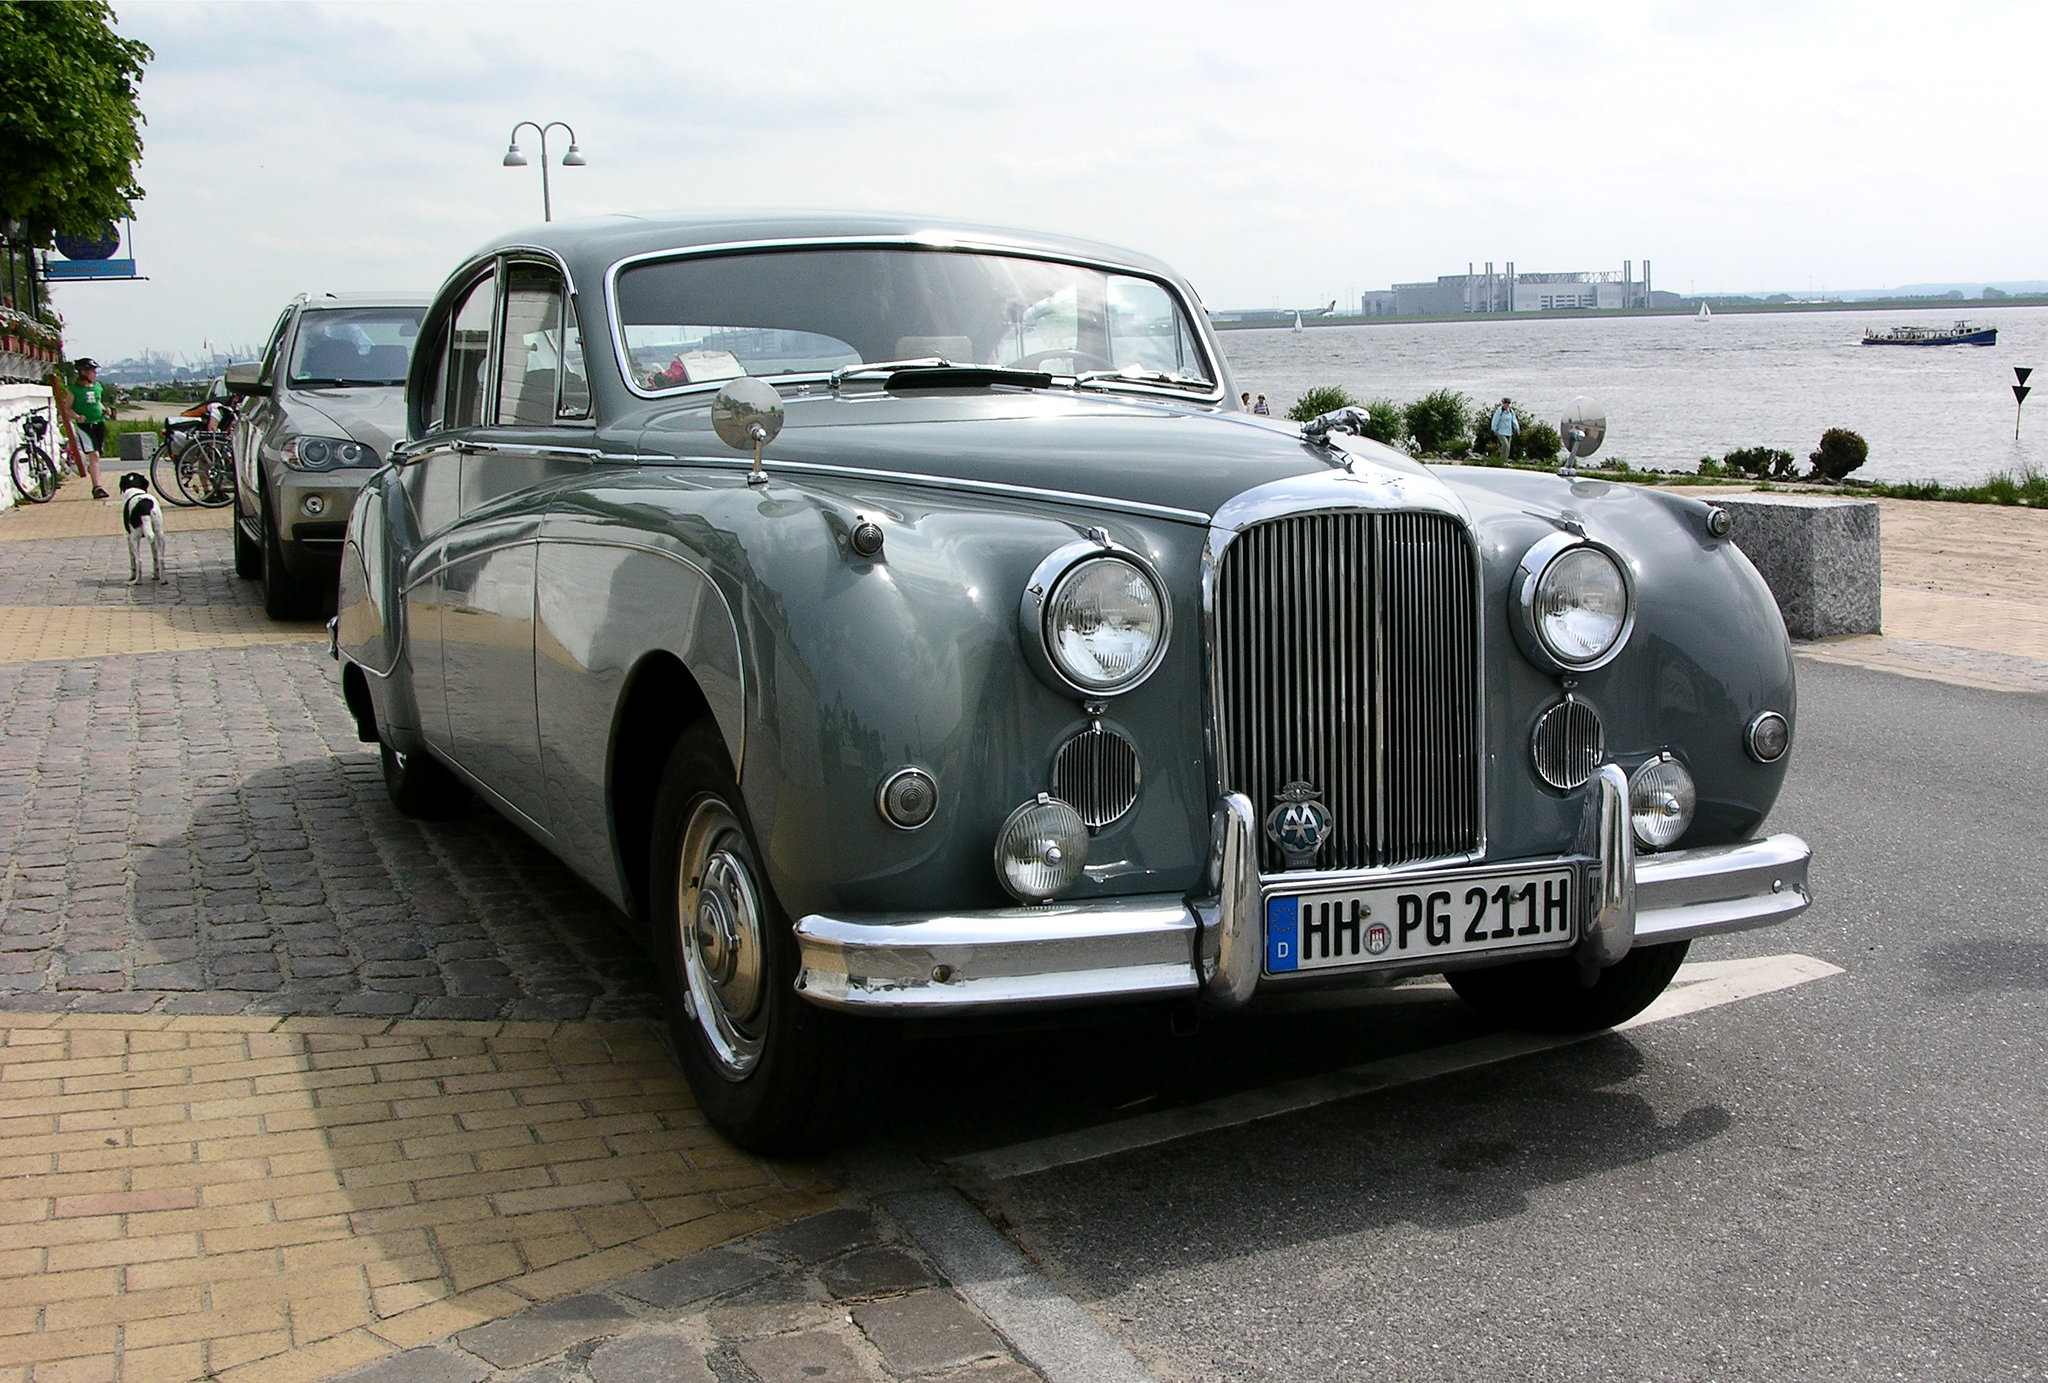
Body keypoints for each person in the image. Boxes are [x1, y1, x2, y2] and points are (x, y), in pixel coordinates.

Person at [58, 358, 113, 498]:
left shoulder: (97, 387)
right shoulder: (74, 390)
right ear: (83, 372)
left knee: (97, 455)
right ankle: (97, 487)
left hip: (98, 423)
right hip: (85, 425)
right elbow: (67, 408)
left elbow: (98, 402)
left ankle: (95, 478)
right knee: (93, 454)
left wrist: (105, 410)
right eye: (92, 371)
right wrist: (77, 417)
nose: (94, 374)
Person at [1489, 397, 1518, 462]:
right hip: (1501, 432)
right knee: (1505, 445)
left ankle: (1504, 460)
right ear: (1503, 403)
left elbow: (1514, 420)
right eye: (1505, 403)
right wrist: (1494, 429)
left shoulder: (1511, 411)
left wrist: (1517, 428)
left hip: (1509, 432)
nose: (1506, 404)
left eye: (1508, 403)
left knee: (1508, 448)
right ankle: (1501, 460)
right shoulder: (1499, 411)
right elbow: (1495, 420)